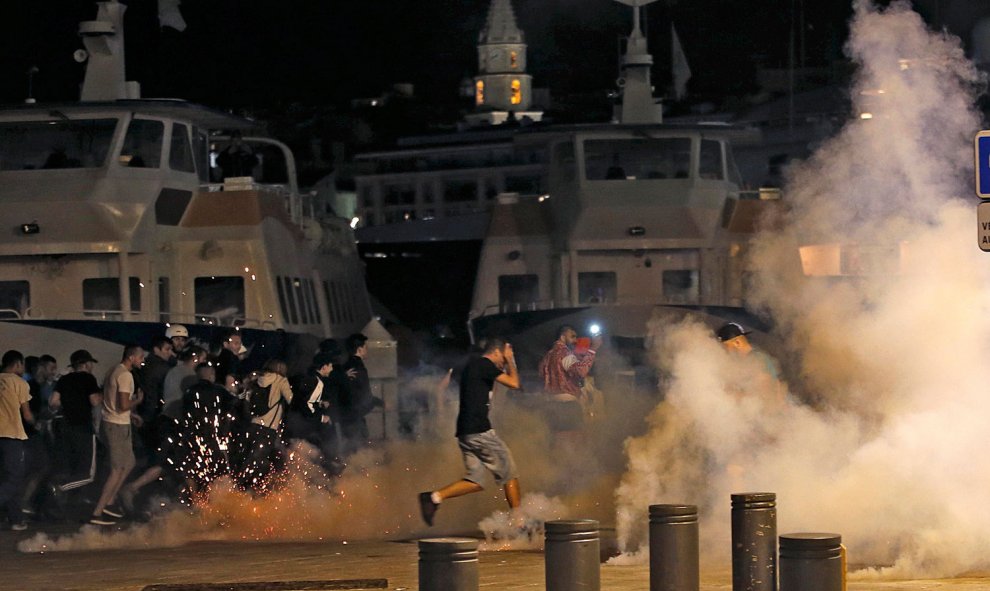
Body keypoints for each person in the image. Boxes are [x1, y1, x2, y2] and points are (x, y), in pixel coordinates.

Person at [418, 337, 521, 527]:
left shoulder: (472, 366)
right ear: (496, 352)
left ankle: (433, 498)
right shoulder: (484, 364)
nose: (503, 363)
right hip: (479, 430)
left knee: (475, 480)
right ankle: (520, 523)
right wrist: (511, 360)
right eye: (502, 359)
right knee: (509, 471)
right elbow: (514, 383)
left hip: (465, 432)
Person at [90, 345, 144, 526]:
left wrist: (132, 415)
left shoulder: (113, 370)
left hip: (113, 422)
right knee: (117, 469)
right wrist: (137, 401)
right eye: (140, 357)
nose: (142, 360)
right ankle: (98, 511)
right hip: (117, 426)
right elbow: (122, 404)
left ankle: (110, 502)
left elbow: (110, 400)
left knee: (129, 463)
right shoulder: (126, 375)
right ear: (131, 357)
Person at [50, 350, 102, 494]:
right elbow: (95, 400)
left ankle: (61, 498)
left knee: (69, 467)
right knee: (88, 474)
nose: (92, 366)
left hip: (65, 427)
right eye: (91, 363)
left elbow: (53, 402)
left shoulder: (64, 379)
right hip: (83, 427)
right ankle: (59, 488)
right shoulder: (88, 378)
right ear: (85, 364)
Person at [238, 359, 293, 492]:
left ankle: (239, 484)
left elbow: (242, 398)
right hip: (268, 428)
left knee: (249, 457)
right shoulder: (280, 380)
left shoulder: (255, 379)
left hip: (252, 425)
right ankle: (245, 490)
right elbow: (291, 399)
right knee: (259, 461)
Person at [538, 325, 601, 437]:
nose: (575, 341)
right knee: (573, 443)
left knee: (555, 443)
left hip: (550, 406)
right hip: (567, 407)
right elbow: (580, 371)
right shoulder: (564, 353)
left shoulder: (547, 356)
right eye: (572, 336)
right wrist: (593, 349)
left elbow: (541, 376)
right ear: (562, 336)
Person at [0, 350, 34, 530]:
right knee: (14, 479)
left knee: (5, 479)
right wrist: (38, 425)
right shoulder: (19, 383)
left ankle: (16, 519)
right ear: (17, 364)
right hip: (11, 435)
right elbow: (27, 414)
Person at [286, 352, 338, 471]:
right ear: (324, 367)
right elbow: (306, 404)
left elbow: (303, 399)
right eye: (330, 366)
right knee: (316, 449)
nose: (332, 368)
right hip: (304, 425)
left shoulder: (308, 378)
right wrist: (321, 417)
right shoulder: (317, 382)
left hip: (294, 422)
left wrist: (318, 403)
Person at [339, 333, 382, 455]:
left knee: (351, 448)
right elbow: (363, 394)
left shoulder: (346, 367)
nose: (367, 350)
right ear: (359, 349)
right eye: (365, 347)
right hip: (354, 416)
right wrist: (380, 402)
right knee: (358, 449)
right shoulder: (358, 368)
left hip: (347, 415)